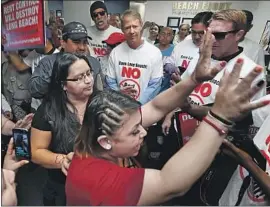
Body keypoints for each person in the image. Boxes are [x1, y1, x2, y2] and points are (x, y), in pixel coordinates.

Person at [65, 28, 269, 205]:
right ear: (106, 141)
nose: (143, 131)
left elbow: (154, 107)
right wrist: (219, 117)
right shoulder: (99, 179)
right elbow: (169, 184)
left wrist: (193, 80)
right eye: (135, 130)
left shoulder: (98, 136)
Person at [30, 53, 97, 205]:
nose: (88, 81)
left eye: (88, 73)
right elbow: (36, 152)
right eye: (79, 78)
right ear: (63, 84)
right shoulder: (48, 112)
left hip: (100, 184)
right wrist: (64, 161)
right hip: (62, 189)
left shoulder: (102, 103)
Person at [28, 21, 103, 100]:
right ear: (63, 43)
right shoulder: (48, 62)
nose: (82, 47)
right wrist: (56, 71)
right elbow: (34, 91)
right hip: (56, 111)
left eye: (84, 42)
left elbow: (102, 91)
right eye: (76, 42)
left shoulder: (94, 63)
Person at [106, 10, 163, 104]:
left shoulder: (154, 53)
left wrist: (138, 104)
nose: (132, 31)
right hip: (119, 105)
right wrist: (119, 96)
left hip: (143, 108)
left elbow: (155, 85)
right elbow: (110, 81)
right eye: (127, 27)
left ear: (141, 25)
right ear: (122, 29)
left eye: (135, 26)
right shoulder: (115, 52)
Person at [87, 1, 122, 72]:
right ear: (93, 18)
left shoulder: (118, 33)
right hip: (93, 71)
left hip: (111, 72)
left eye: (102, 13)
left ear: (107, 15)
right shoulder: (87, 32)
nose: (99, 17)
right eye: (95, 15)